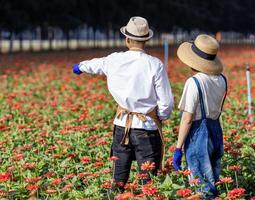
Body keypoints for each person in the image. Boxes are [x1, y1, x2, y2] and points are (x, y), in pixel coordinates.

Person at [72, 16, 174, 192]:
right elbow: (166, 102)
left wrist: (79, 67)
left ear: (127, 39)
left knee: (118, 178)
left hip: (121, 125)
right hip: (147, 128)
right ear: (146, 40)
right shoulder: (155, 64)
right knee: (147, 181)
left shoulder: (114, 60)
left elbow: (95, 64)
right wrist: (160, 117)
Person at [172, 34, 227, 198]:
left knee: (201, 186)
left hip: (199, 136)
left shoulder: (194, 82)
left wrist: (178, 148)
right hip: (216, 131)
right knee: (214, 181)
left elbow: (187, 118)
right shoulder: (222, 79)